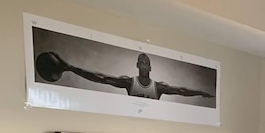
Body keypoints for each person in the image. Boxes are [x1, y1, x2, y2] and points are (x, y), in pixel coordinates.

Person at [49, 52, 215, 100]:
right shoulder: (129, 82)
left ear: (150, 66)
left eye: (146, 62)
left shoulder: (158, 87)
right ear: (137, 65)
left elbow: (181, 91)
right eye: (140, 62)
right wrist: (70, 68)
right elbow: (100, 78)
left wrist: (201, 92)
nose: (143, 64)